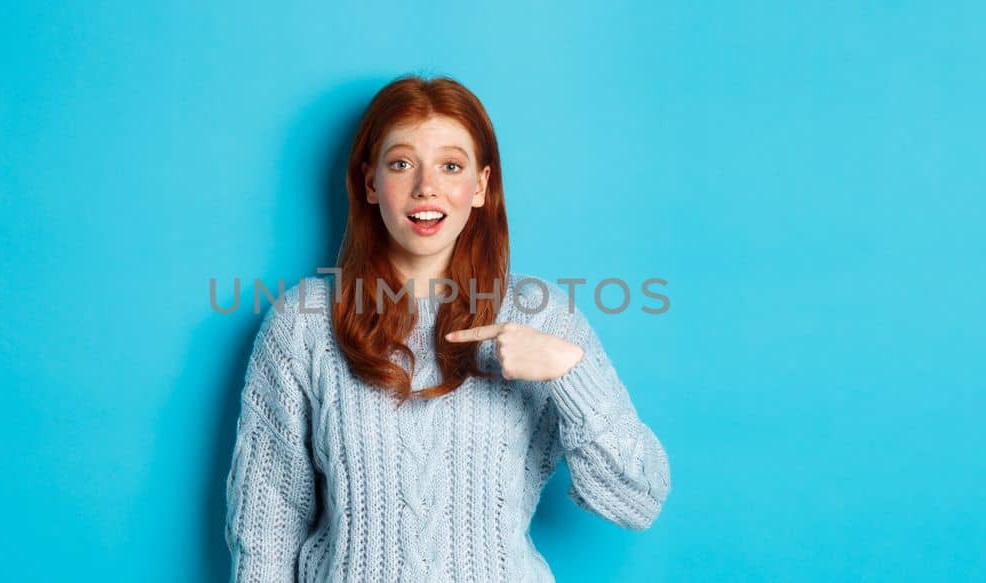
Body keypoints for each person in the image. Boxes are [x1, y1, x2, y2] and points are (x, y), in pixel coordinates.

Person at [224, 74, 670, 582]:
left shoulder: (541, 315)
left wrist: (570, 374)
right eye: (402, 164)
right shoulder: (303, 324)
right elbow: (266, 528)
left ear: (480, 185)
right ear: (370, 182)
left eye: (450, 166)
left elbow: (639, 500)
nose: (426, 187)